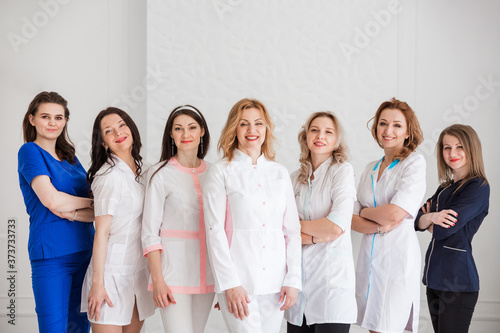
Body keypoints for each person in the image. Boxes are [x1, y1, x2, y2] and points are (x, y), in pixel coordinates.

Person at [203, 98, 302, 333]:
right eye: (244, 124)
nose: (252, 130)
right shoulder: (220, 171)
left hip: (276, 285)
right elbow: (214, 231)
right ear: (234, 129)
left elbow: (291, 230)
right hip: (240, 282)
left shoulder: (279, 172)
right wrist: (229, 284)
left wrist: (293, 280)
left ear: (266, 128)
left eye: (258, 123)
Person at [18, 91, 95, 333]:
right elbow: (51, 199)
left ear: (65, 121)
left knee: (80, 328)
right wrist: (90, 203)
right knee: (54, 329)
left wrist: (72, 211)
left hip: (86, 251)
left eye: (59, 117)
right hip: (52, 256)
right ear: (32, 119)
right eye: (45, 116)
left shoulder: (71, 157)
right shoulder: (30, 152)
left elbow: (96, 211)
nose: (53, 123)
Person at [351, 98, 425, 333]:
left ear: (407, 132)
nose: (388, 130)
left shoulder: (413, 163)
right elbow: (350, 218)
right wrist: (379, 224)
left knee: (388, 325)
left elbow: (396, 212)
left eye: (397, 125)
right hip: (369, 258)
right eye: (383, 123)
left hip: (397, 258)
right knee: (374, 326)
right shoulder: (370, 168)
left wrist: (365, 212)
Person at [81, 107, 155, 332]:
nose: (118, 132)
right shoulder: (108, 176)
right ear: (103, 142)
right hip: (110, 274)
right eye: (109, 131)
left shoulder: (147, 172)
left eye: (122, 125)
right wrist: (97, 284)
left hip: (138, 274)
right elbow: (101, 233)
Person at [142, 105, 214, 333]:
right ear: (171, 134)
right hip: (172, 273)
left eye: (192, 128)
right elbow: (149, 233)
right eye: (179, 129)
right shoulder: (160, 174)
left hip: (209, 272)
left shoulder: (215, 172)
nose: (186, 134)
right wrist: (158, 280)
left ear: (202, 131)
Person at [285, 111, 357, 333]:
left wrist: (296, 230)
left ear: (336, 141)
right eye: (314, 130)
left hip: (331, 286)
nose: (320, 136)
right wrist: (318, 235)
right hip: (298, 288)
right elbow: (281, 229)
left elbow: (336, 225)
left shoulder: (342, 172)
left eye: (328, 132)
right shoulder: (294, 178)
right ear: (305, 136)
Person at [414, 124, 489, 333]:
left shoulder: (478, 187)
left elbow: (444, 230)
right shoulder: (444, 188)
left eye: (459, 147)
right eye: (447, 148)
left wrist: (432, 221)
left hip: (457, 283)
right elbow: (416, 220)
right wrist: (432, 217)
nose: (452, 153)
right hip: (434, 279)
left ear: (471, 149)